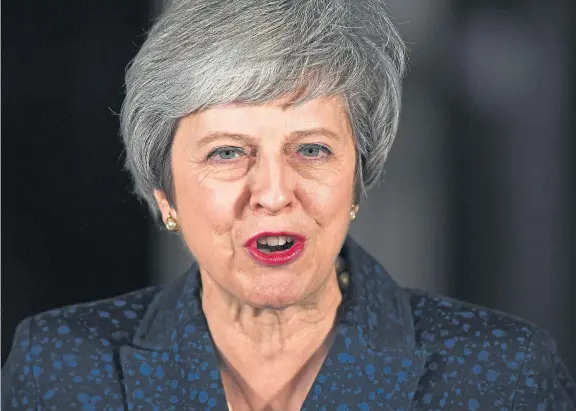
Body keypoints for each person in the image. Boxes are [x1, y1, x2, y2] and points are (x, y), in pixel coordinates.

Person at [3, 0, 575, 409]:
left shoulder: (505, 373)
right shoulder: (60, 368)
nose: (274, 193)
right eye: (228, 152)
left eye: (310, 149)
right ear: (164, 191)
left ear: (357, 177)